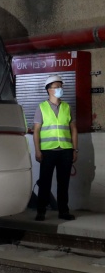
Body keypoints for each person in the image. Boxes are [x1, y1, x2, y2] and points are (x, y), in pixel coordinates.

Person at [33, 74, 78, 221]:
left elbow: (74, 129)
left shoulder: (67, 107)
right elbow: (37, 130)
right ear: (48, 90)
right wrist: (37, 150)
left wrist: (74, 149)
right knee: (45, 182)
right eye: (56, 86)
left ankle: (63, 211)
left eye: (61, 86)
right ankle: (41, 211)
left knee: (63, 183)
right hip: (47, 151)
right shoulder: (41, 107)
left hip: (65, 150)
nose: (59, 89)